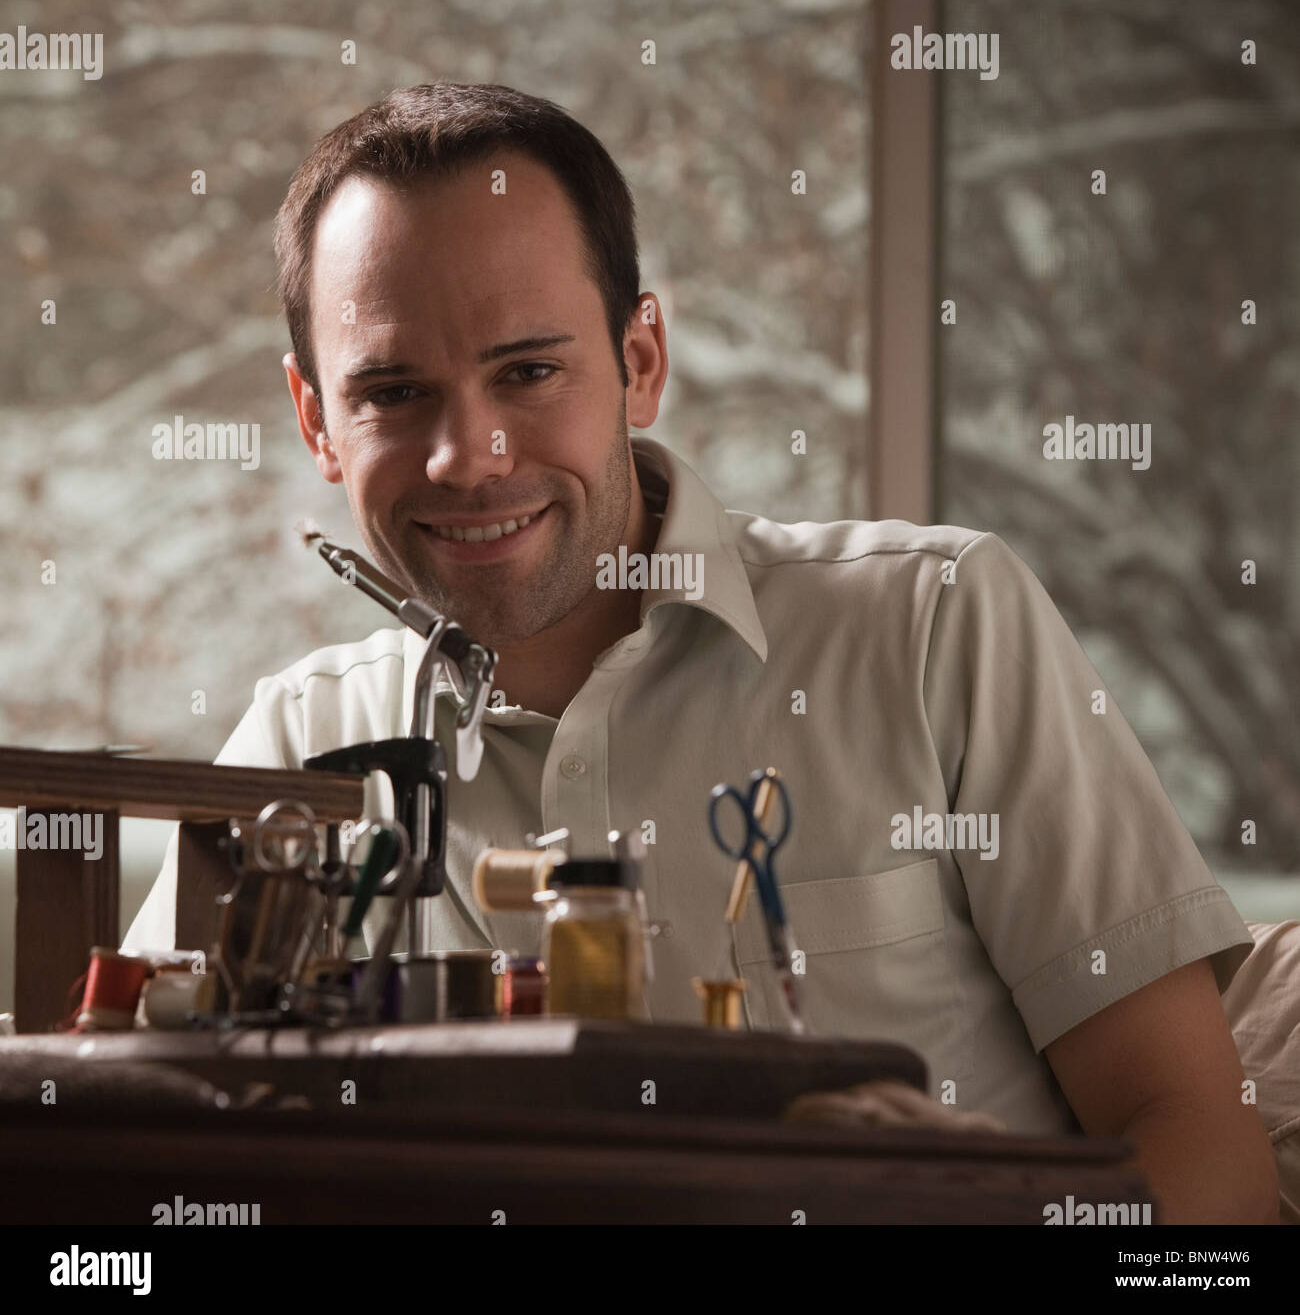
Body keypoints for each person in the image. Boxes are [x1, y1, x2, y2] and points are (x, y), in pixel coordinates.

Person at [124, 82, 1278, 1223]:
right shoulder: (293, 750)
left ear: (640, 361)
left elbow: (1201, 1156)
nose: (465, 458)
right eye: (391, 393)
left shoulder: (935, 624)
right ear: (316, 419)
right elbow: (121, 1157)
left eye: (527, 371)